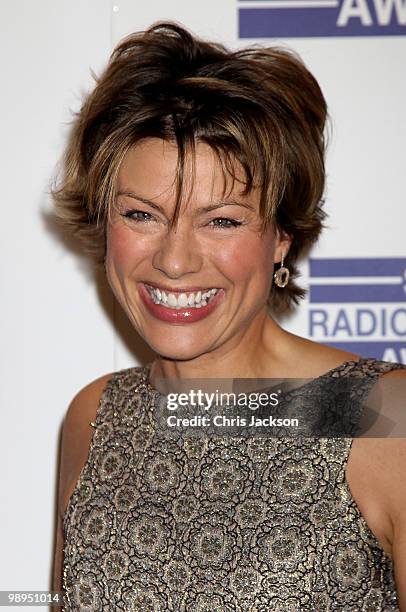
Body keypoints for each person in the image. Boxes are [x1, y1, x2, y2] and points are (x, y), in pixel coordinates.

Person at [51, 21, 406, 610]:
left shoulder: (380, 416)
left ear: (282, 238)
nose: (173, 259)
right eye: (142, 215)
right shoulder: (96, 416)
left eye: (222, 220)